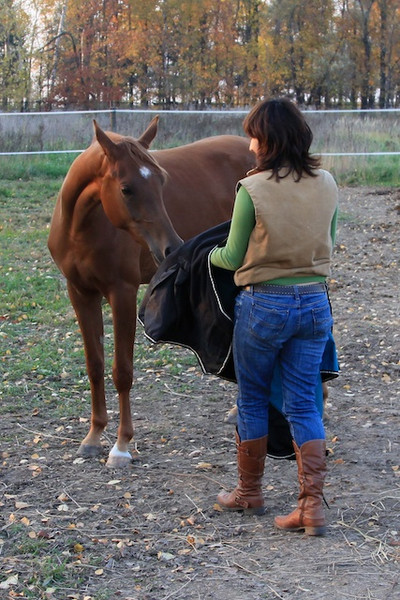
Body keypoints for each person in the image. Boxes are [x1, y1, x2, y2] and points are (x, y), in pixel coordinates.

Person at [210, 97, 338, 536]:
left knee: (252, 396)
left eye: (254, 136)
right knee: (305, 401)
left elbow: (231, 255)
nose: (249, 146)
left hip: (264, 304)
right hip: (315, 303)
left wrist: (203, 252)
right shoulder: (327, 183)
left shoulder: (253, 189)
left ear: (268, 140)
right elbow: (328, 242)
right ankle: (312, 507)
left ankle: (249, 492)